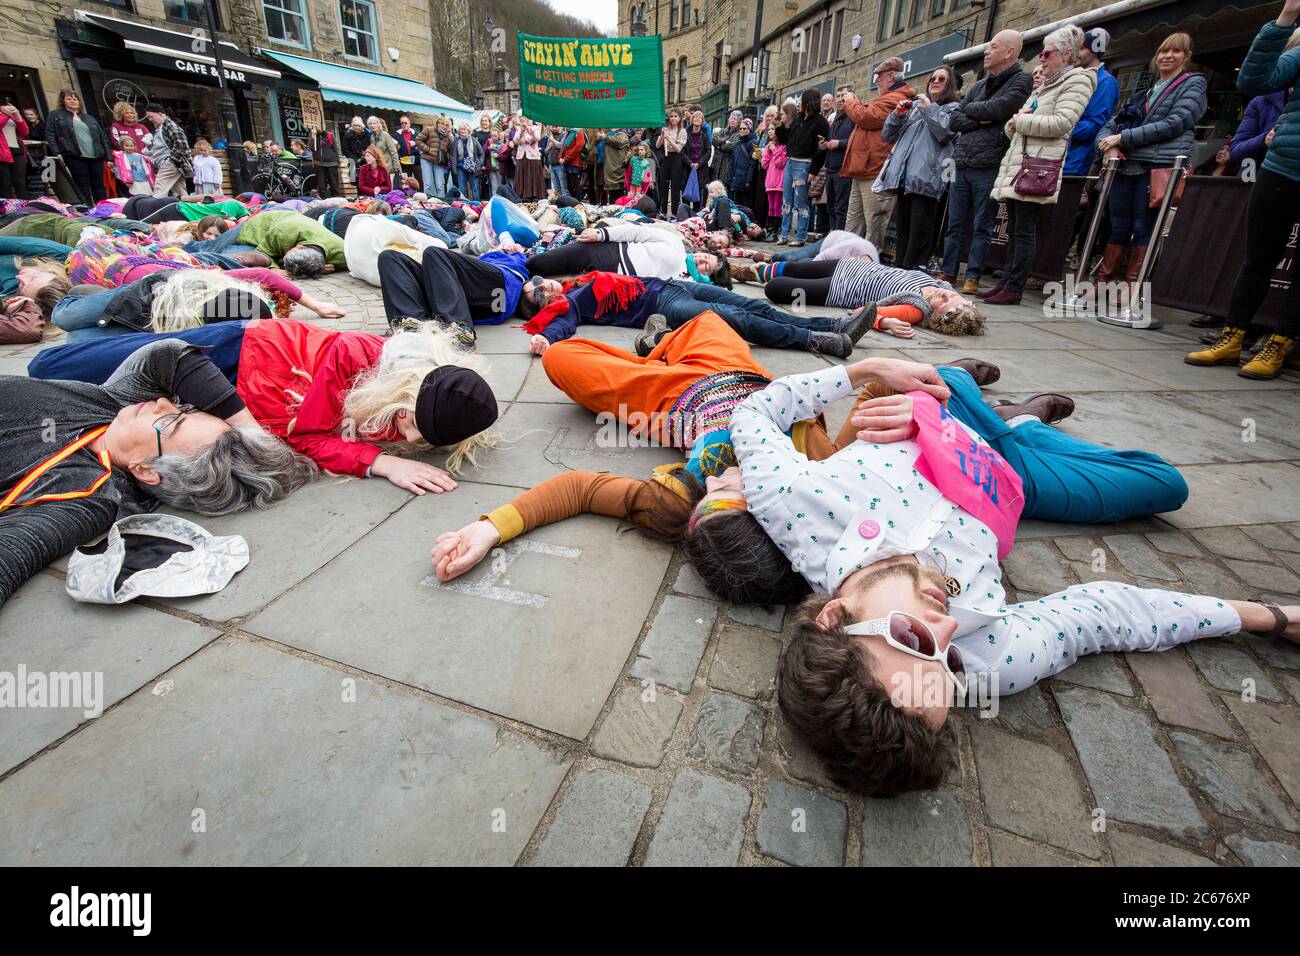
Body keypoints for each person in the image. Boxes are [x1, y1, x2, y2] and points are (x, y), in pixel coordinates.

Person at [430, 318, 992, 584]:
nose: (718, 482)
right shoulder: (829, 479)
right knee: (705, 320)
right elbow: (877, 398)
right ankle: (658, 344)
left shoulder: (678, 503)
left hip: (669, 403)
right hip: (748, 377)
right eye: (732, 494)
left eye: (711, 495)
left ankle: (652, 355)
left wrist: (488, 529)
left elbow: (578, 489)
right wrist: (929, 398)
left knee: (560, 360)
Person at [0, 339, 317, 606]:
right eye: (184, 409)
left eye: (170, 421)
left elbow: (12, 555)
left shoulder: (83, 496)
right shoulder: (116, 404)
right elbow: (169, 355)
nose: (163, 402)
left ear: (147, 471)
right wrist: (251, 433)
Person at [28, 319, 498, 492]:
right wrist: (379, 463)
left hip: (239, 402)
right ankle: (95, 324)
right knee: (51, 365)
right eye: (410, 424)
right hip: (234, 355)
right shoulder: (355, 354)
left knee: (99, 398)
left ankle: (110, 332)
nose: (409, 440)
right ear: (406, 391)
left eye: (422, 438)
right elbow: (306, 439)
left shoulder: (418, 403)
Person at [1186, 8, 1300, 379]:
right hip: (1283, 165)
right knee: (1256, 259)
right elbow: (1254, 79)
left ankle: (1279, 344)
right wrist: (1286, 18)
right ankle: (1232, 337)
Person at [518, 266, 872, 357]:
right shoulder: (571, 304)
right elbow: (561, 325)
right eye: (537, 296)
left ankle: (835, 323)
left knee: (751, 304)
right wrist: (545, 340)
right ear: (543, 306)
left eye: (538, 282)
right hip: (664, 306)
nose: (543, 288)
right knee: (739, 321)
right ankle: (818, 341)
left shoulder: (576, 281)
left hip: (676, 284)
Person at [983, 27, 1097, 306]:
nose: (1041, 59)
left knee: (1024, 229)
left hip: (1038, 166)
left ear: (1066, 54)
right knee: (1014, 227)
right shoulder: (1046, 84)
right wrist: (1014, 123)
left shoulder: (1077, 81)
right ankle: (1006, 282)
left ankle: (1014, 287)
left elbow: (1062, 123)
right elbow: (1019, 123)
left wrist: (1019, 121)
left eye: (1047, 53)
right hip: (1021, 161)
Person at [1094, 32, 1207, 299]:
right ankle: (1102, 283)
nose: (1168, 56)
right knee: (1118, 225)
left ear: (1187, 57)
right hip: (1126, 166)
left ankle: (1133, 288)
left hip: (1157, 167)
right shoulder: (1146, 92)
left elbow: (1176, 123)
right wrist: (1107, 145)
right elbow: (1112, 124)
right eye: (1163, 51)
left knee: (1144, 227)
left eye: (1176, 51)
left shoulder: (1193, 84)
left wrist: (1123, 138)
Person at [938, 32, 1032, 292]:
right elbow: (956, 119)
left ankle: (973, 275)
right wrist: (984, 116)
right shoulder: (979, 85)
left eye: (993, 46)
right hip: (961, 161)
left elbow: (1001, 109)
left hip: (989, 163)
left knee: (982, 224)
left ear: (1010, 52)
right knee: (954, 223)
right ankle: (948, 272)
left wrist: (981, 113)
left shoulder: (1021, 80)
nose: (986, 52)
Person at [760, 256, 985, 337]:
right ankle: (754, 267)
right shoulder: (940, 284)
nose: (944, 294)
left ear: (935, 315)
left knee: (776, 288)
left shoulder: (916, 309)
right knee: (794, 267)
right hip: (851, 266)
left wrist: (885, 321)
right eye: (951, 296)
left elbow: (862, 313)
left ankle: (755, 271)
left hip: (842, 287)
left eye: (943, 302)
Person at [875, 67, 962, 271]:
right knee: (903, 231)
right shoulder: (915, 106)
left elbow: (946, 132)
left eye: (942, 79)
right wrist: (897, 115)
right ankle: (899, 271)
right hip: (905, 178)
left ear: (950, 85)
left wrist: (929, 108)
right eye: (932, 78)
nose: (935, 81)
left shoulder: (953, 108)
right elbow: (887, 135)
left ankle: (915, 272)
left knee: (920, 232)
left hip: (928, 179)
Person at [842, 59, 915, 247]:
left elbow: (866, 117)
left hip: (874, 169)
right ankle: (847, 261)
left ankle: (870, 265)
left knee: (873, 223)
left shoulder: (895, 97)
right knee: (854, 222)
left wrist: (851, 103)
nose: (876, 81)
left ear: (891, 76)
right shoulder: (886, 97)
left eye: (879, 76)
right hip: (863, 168)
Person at [775, 90, 830, 246]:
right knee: (786, 200)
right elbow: (786, 140)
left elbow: (821, 150)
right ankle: (784, 234)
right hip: (790, 163)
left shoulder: (820, 123)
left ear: (808, 102)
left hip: (804, 164)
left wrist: (814, 170)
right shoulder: (799, 118)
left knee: (801, 202)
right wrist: (780, 125)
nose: (799, 103)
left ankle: (800, 237)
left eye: (802, 100)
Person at [1064, 28, 1120, 180]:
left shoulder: (1105, 82)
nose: (1076, 54)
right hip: (1059, 158)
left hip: (1075, 163)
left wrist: (1057, 127)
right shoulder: (1074, 78)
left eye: (1081, 48)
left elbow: (1094, 126)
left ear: (1095, 50)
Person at [45, 89, 113, 205]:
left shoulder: (89, 118)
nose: (72, 101)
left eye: (75, 98)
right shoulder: (55, 115)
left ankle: (103, 208)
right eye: (69, 98)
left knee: (99, 185)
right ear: (63, 101)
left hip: (96, 155)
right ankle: (87, 210)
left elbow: (102, 137)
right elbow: (50, 135)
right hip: (74, 155)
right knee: (82, 185)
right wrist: (57, 152)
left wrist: (109, 158)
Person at [820, 87, 855, 232]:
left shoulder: (853, 117)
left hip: (844, 169)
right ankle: (832, 235)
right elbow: (831, 140)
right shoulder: (836, 118)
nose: (841, 99)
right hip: (831, 168)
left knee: (841, 208)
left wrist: (839, 143)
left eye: (844, 96)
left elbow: (856, 142)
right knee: (831, 207)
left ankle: (839, 238)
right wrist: (825, 144)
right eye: (839, 96)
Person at [143, 102, 193, 199]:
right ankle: (187, 211)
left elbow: (182, 145)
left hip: (169, 162)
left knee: (159, 190)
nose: (150, 120)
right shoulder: (159, 128)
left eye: (151, 117)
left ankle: (155, 210)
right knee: (181, 193)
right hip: (169, 163)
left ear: (160, 114)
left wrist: (171, 161)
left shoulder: (169, 125)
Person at [761, 104, 790, 233]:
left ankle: (776, 228)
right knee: (771, 207)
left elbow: (780, 163)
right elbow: (764, 164)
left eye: (773, 129)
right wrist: (767, 151)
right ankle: (771, 227)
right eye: (769, 129)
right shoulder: (769, 146)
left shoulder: (783, 147)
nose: (770, 131)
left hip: (779, 183)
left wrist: (774, 151)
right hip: (770, 182)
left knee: (778, 207)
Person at [656, 110, 687, 216]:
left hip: (676, 159)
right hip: (666, 157)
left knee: (675, 187)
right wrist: (661, 135)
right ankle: (663, 212)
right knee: (663, 186)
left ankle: (674, 213)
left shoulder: (682, 131)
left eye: (675, 116)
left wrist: (668, 138)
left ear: (679, 118)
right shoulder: (665, 129)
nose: (673, 118)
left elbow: (678, 149)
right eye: (671, 116)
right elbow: (657, 145)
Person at [416, 117, 453, 198]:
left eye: (446, 125)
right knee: (428, 184)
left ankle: (441, 204)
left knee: (440, 185)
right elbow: (418, 140)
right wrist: (428, 149)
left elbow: (449, 152)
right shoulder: (428, 129)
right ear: (438, 123)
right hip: (426, 159)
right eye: (442, 123)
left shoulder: (448, 137)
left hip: (439, 162)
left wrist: (449, 163)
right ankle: (428, 203)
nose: (444, 126)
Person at [1, 102, 31, 200]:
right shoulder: (4, 114)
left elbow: (25, 131)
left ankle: (26, 208)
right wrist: (6, 114)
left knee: (21, 182)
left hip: (17, 152)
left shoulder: (11, 114)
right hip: (2, 154)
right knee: (5, 184)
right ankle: (8, 211)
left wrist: (17, 116)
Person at [452, 122, 484, 201]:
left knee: (475, 188)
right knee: (462, 188)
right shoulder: (456, 141)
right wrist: (454, 169)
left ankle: (476, 205)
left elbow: (481, 154)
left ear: (468, 130)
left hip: (473, 167)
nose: (463, 131)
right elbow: (453, 156)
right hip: (460, 167)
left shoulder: (474, 140)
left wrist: (478, 165)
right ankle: (465, 204)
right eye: (461, 129)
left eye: (464, 129)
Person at [309, 125, 342, 199]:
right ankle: (325, 201)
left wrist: (337, 161)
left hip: (331, 162)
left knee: (334, 184)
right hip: (318, 163)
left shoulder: (329, 135)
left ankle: (337, 200)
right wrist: (313, 136)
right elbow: (311, 148)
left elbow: (335, 149)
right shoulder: (312, 135)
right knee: (321, 186)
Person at [342, 117, 370, 185]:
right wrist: (355, 159)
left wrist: (365, 156)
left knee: (367, 180)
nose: (357, 127)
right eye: (355, 125)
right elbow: (345, 150)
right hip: (352, 161)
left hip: (365, 160)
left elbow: (369, 146)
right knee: (356, 181)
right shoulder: (347, 136)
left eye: (359, 126)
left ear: (362, 127)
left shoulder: (366, 135)